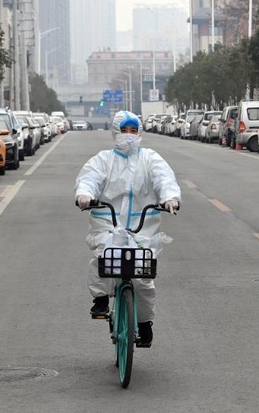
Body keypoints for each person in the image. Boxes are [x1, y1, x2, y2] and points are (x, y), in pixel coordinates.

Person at [75, 110, 181, 347]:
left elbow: (164, 178)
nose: (129, 136)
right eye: (125, 130)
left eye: (134, 131)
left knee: (143, 278)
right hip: (107, 224)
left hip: (143, 228)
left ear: (140, 132)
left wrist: (170, 197)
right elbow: (90, 178)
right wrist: (85, 195)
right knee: (105, 256)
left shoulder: (150, 159)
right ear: (116, 132)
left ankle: (144, 324)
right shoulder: (103, 160)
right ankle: (101, 299)